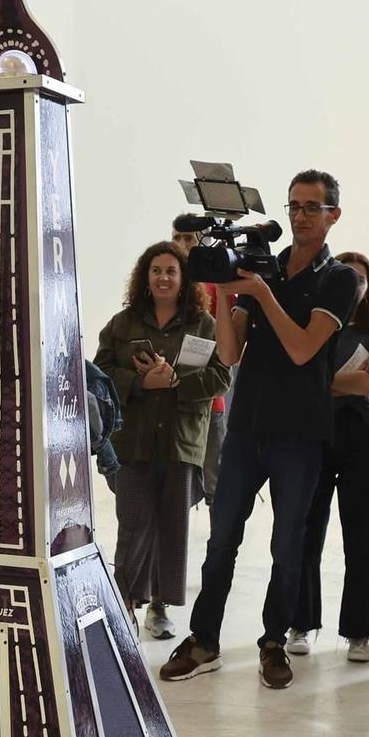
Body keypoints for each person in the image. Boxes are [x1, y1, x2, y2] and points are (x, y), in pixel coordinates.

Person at [158, 170, 362, 690]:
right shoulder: (261, 268)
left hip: (300, 433)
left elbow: (301, 349)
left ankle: (274, 644)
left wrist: (261, 293)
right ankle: (204, 640)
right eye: (294, 205)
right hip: (247, 426)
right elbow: (229, 353)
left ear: (333, 214)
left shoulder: (339, 278)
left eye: (312, 207)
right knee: (221, 538)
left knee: (287, 545)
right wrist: (228, 294)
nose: (299, 215)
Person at [94, 241, 227, 640]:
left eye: (171, 270)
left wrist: (175, 381)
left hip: (181, 442)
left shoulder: (204, 324)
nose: (163, 277)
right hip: (132, 442)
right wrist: (139, 381)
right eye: (156, 270)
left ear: (184, 279)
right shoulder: (123, 323)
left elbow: (222, 377)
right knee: (132, 526)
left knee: (172, 527)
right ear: (145, 277)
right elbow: (98, 374)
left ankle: (159, 606)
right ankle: (125, 606)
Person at [290, 251, 369, 661]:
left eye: (362, 279)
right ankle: (300, 623)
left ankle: (359, 632)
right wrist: (340, 383)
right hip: (314, 439)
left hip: (363, 441)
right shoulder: (315, 327)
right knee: (305, 535)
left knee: (361, 541)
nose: (355, 284)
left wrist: (325, 382)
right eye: (347, 276)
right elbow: (298, 378)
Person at [174, 223, 229, 505]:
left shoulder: (213, 285)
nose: (182, 243)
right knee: (176, 483)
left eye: (188, 237)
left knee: (215, 483)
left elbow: (229, 340)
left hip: (210, 400)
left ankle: (217, 545)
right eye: (177, 237)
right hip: (170, 398)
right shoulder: (163, 284)